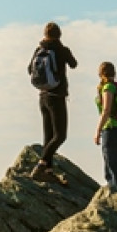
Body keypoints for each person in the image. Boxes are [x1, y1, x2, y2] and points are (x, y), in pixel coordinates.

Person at [28, 22, 77, 181]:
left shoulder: (38, 50)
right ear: (59, 34)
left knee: (48, 136)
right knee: (60, 135)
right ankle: (42, 165)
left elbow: (30, 70)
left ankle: (48, 171)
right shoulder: (62, 50)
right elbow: (74, 64)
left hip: (42, 97)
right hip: (57, 97)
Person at [94, 61, 117, 193]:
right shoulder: (116, 87)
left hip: (111, 130)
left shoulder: (108, 87)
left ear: (101, 73)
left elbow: (106, 110)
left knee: (112, 167)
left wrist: (98, 130)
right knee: (114, 165)